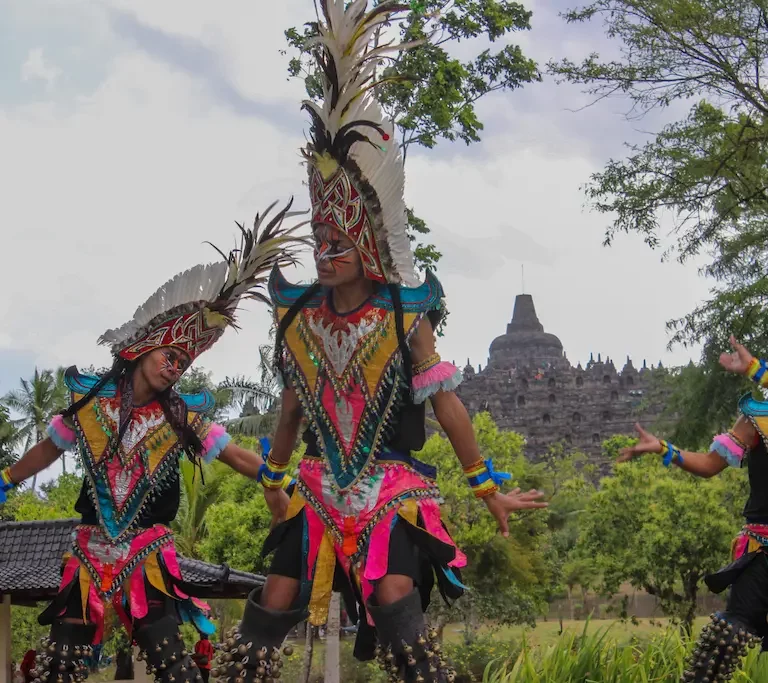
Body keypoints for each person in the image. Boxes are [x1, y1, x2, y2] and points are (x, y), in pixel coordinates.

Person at [212, 3, 548, 683]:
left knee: (393, 592)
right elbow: (292, 406)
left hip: (390, 484)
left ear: (368, 245)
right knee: (276, 595)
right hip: (317, 484)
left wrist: (485, 485)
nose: (325, 252)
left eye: (338, 242)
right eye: (320, 241)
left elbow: (447, 405)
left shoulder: (404, 315)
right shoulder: (301, 318)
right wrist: (275, 476)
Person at [0, 202, 305, 683]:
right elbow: (49, 448)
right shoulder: (91, 405)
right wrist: (6, 479)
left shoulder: (182, 418)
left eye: (181, 364)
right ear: (142, 349)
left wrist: (273, 473)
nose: (173, 367)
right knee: (61, 662)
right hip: (90, 551)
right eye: (168, 356)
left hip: (146, 555)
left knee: (170, 659)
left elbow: (230, 454)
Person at [618, 335, 768, 681]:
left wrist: (757, 370)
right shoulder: (756, 421)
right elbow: (709, 464)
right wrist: (663, 449)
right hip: (762, 552)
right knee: (723, 644)